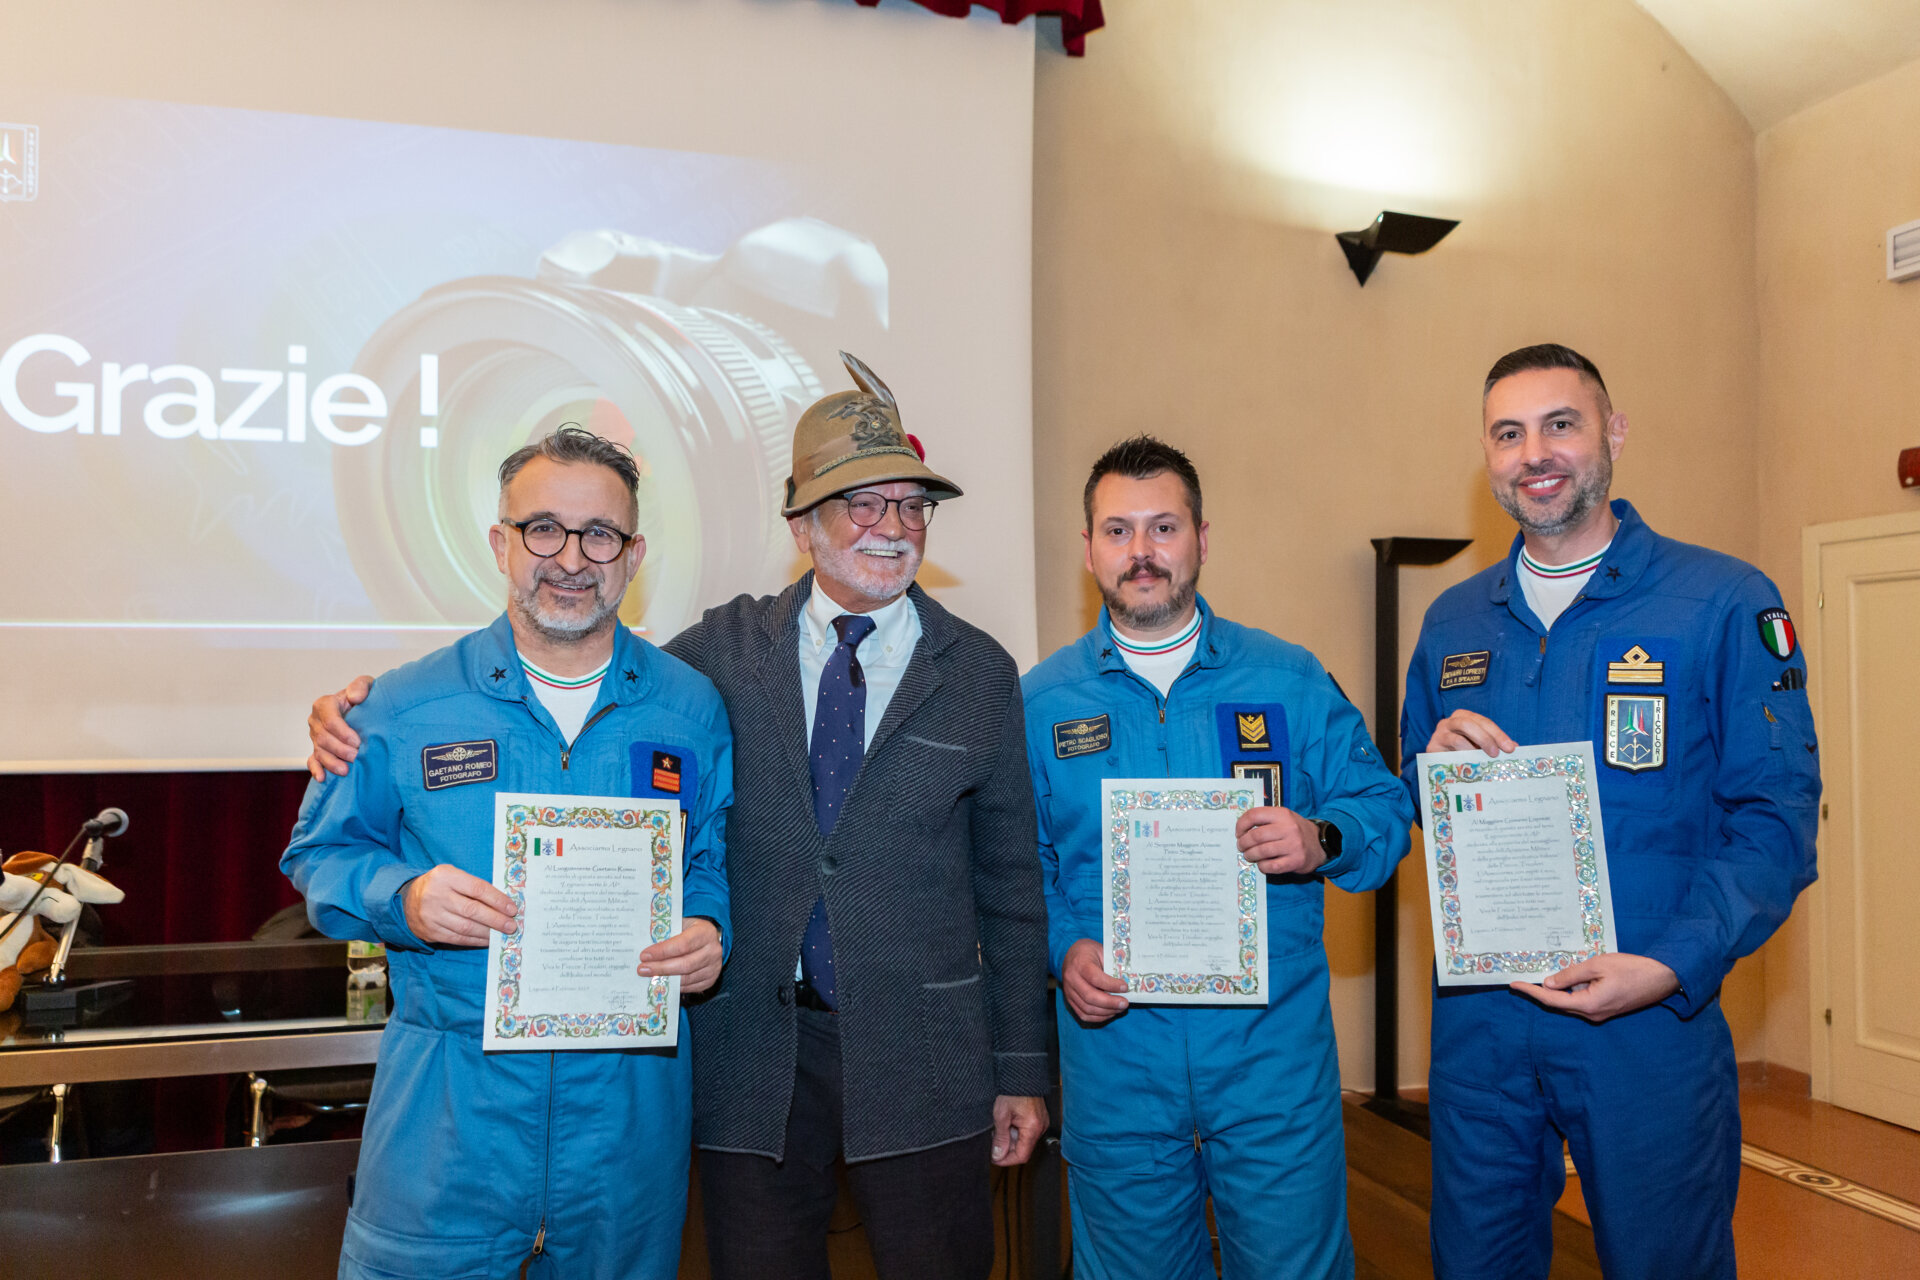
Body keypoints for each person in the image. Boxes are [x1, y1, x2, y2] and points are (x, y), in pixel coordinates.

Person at [306, 356, 1049, 1280]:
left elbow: (1012, 882)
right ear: (802, 525)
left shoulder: (961, 674)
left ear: (632, 552)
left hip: (901, 1071)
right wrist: (372, 793)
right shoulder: (709, 666)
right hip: (709, 1077)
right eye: (861, 503)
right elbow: (332, 851)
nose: (889, 528)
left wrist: (1022, 1066)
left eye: (909, 506)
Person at [1400, 344, 1820, 1279]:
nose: (1534, 453)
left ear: (1613, 433)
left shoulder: (1722, 601)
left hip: (1648, 1026)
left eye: (1561, 424)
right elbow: (1418, 803)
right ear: (1486, 452)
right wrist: (1433, 776)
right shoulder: (1456, 621)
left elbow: (1777, 818)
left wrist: (1670, 967)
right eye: (1509, 434)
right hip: (1484, 1027)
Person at [282, 426, 732, 1279]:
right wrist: (404, 899)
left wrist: (710, 929)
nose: (571, 557)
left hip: (626, 1135)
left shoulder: (690, 708)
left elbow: (705, 858)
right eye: (543, 529)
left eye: (600, 535)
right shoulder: (401, 706)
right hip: (448, 1129)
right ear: (501, 542)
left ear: (633, 556)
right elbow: (323, 855)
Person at [1021, 435, 1414, 1280]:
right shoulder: (1040, 702)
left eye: (1164, 527)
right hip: (1118, 1065)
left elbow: (1384, 808)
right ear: (1087, 549)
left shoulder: (1290, 677)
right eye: (1118, 531)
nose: (1142, 553)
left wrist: (1322, 838)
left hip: (1271, 1066)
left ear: (1203, 537)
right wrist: (1062, 951)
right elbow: (1021, 868)